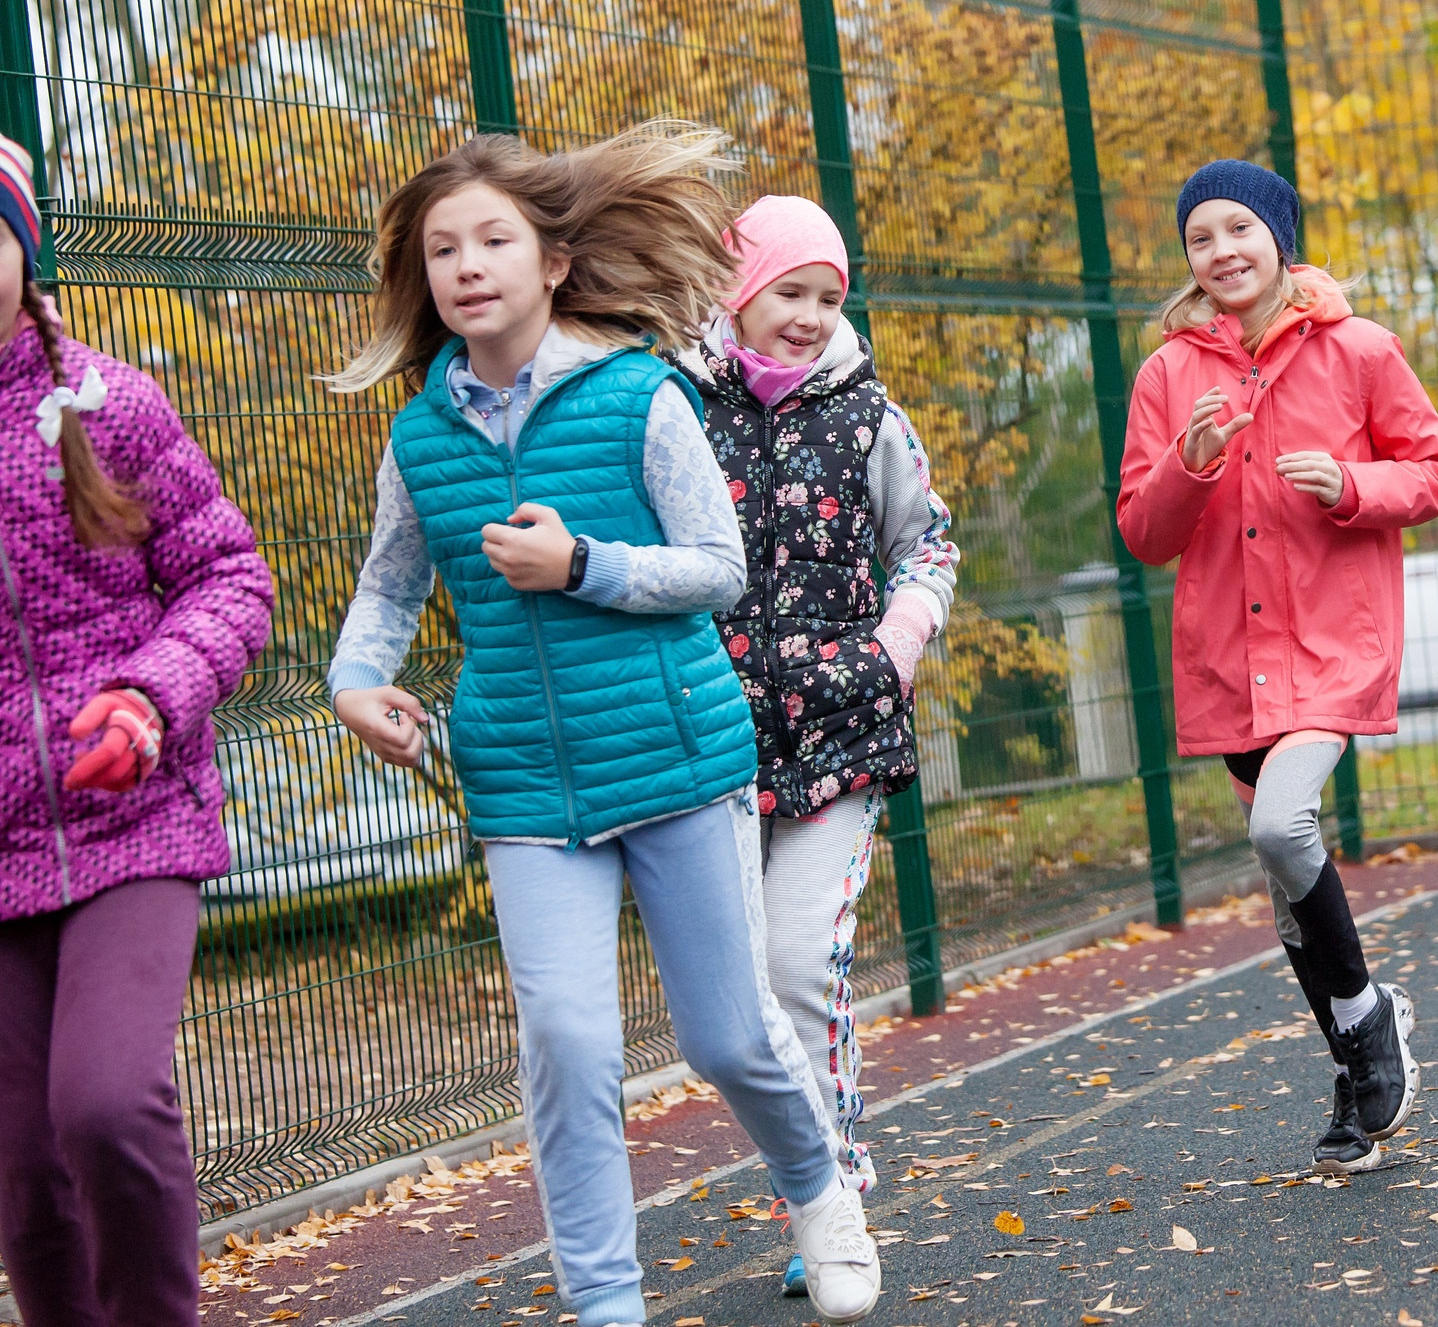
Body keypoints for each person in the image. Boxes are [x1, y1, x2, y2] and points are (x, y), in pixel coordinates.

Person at [323, 123, 880, 1324]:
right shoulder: (420, 437)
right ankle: (604, 1305)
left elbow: (717, 571)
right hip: (525, 783)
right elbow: (388, 586)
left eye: (492, 240)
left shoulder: (638, 398)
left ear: (553, 262)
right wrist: (355, 680)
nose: (467, 266)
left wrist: (582, 563)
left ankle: (819, 1187)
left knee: (730, 1040)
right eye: (442, 250)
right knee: (569, 1052)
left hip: (679, 760)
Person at [1116, 159, 1438, 1174]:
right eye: (1199, 239)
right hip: (1230, 657)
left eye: (1238, 230)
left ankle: (1364, 1012)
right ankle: (1360, 1083)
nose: (1221, 252)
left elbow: (1436, 471)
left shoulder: (1360, 350)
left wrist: (1352, 484)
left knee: (1281, 824)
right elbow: (1142, 530)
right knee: (1284, 881)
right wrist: (1194, 463)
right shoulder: (1167, 374)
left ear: (1279, 235)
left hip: (1329, 643)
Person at [0, 135, 275, 1326]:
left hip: (133, 817)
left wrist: (153, 698)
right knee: (20, 1176)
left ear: (21, 248)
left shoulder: (108, 404)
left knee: (105, 1106)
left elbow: (230, 579)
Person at [682, 194, 956, 1297]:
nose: (806, 316)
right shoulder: (675, 408)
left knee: (804, 965)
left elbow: (927, 546)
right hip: (715, 745)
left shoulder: (870, 416)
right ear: (738, 291)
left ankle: (834, 1190)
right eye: (788, 291)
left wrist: (894, 648)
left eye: (827, 298)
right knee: (736, 1001)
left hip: (843, 734)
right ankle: (811, 1180)